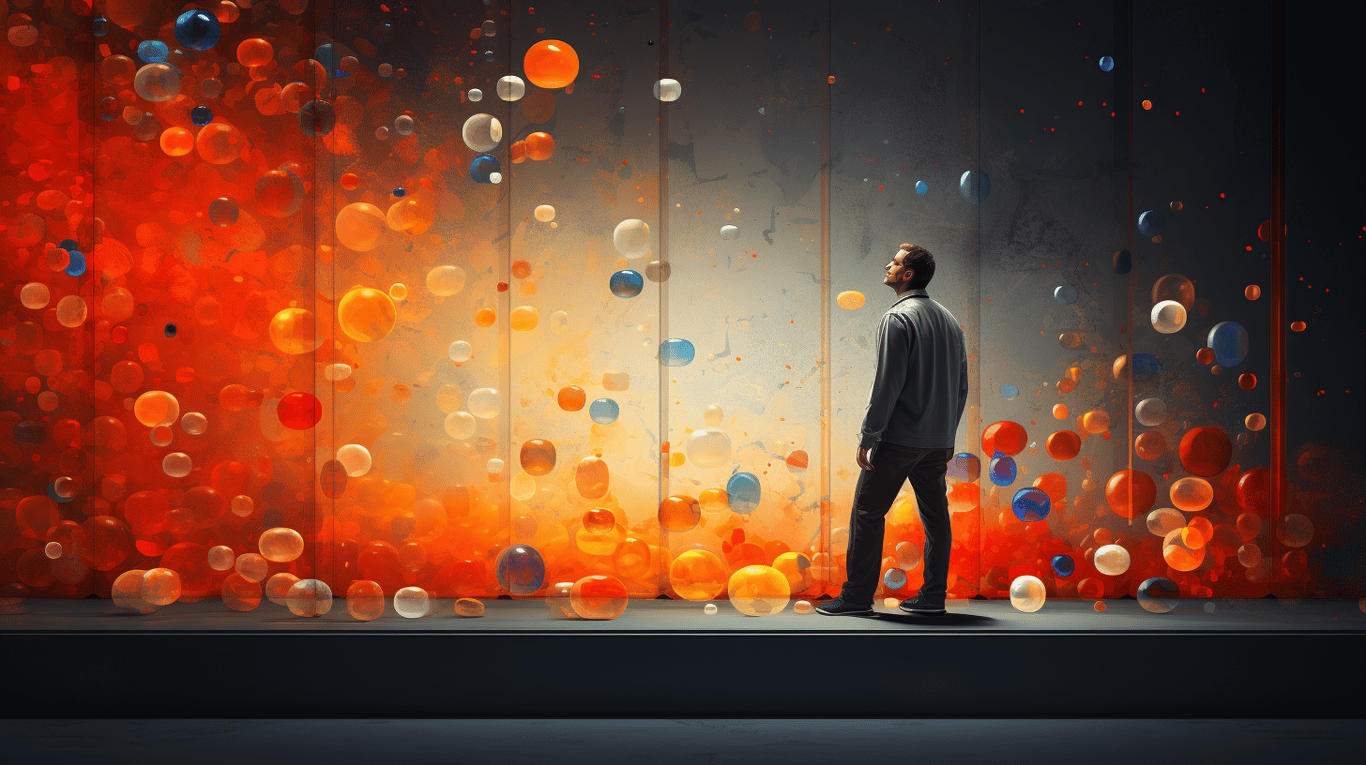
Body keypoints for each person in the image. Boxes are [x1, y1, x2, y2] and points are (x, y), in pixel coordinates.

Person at [817, 244, 968, 617]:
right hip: (937, 441)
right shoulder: (949, 320)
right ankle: (933, 598)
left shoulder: (898, 317)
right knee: (937, 518)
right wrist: (947, 435)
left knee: (868, 513)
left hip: (899, 439)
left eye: (896, 262)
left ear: (907, 275)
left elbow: (888, 384)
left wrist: (869, 437)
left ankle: (855, 598)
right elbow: (962, 385)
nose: (888, 265)